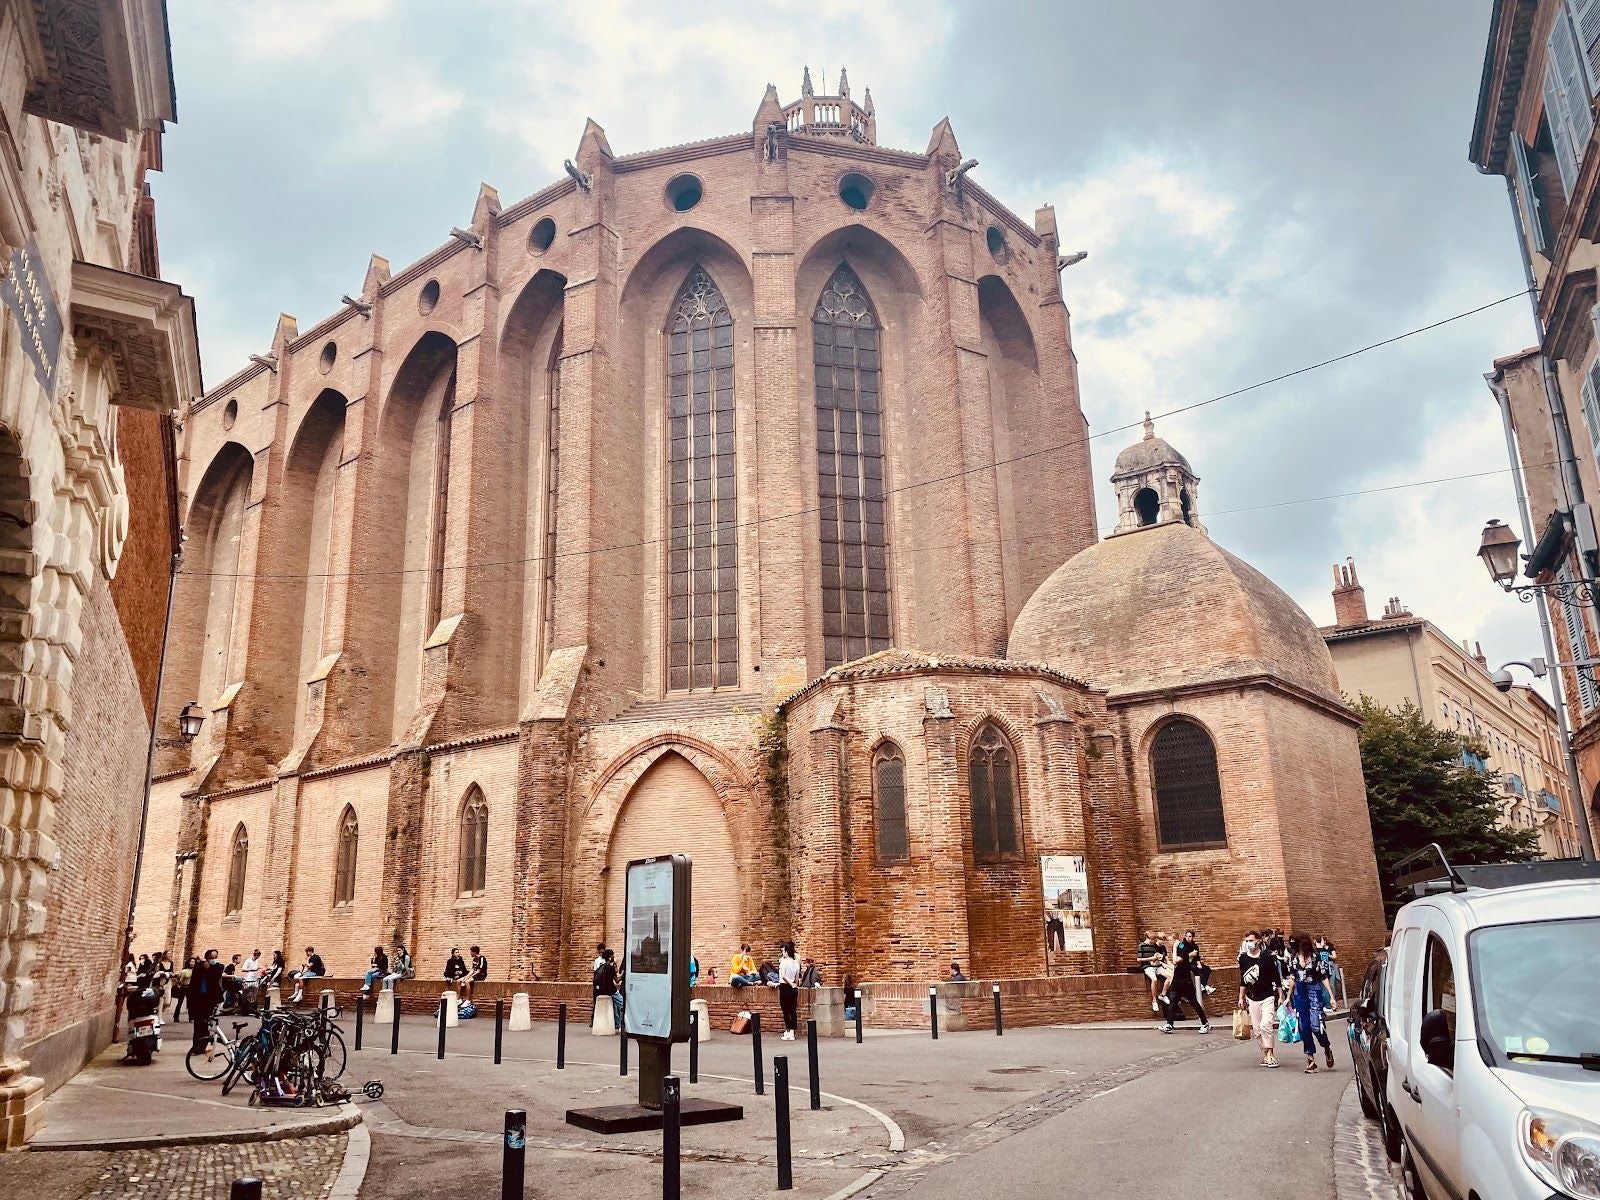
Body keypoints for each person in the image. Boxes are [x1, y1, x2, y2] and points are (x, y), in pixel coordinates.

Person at [1288, 934, 1335, 1073]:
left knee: (1316, 1025)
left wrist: (1331, 996)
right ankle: (1310, 1059)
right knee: (1303, 1026)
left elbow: (1323, 977)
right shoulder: (1293, 959)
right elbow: (1292, 978)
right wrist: (1287, 997)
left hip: (1314, 990)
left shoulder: (1316, 957)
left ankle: (1326, 1046)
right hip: (1299, 992)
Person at [1237, 931, 1284, 1067]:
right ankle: (1265, 1054)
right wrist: (1241, 997)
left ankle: (1270, 1053)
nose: (1248, 943)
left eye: (1251, 940)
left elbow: (1276, 977)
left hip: (1267, 995)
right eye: (1246, 941)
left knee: (1266, 1025)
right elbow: (1243, 979)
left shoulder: (1267, 956)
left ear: (1258, 941)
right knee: (1257, 1029)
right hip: (1252, 997)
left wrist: (1280, 996)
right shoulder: (1243, 959)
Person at [1162, 930, 1211, 1034]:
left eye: (1171, 940)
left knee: (1194, 1003)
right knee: (1173, 1002)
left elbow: (1176, 961)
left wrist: (1175, 948)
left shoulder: (1182, 947)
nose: (1169, 942)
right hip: (1177, 979)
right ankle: (1169, 1024)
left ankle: (1205, 1023)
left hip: (1185, 980)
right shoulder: (1182, 946)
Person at [189, 949, 225, 1053]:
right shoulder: (199, 967)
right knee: (198, 1023)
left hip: (210, 1000)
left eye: (215, 957)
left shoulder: (218, 967)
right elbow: (194, 981)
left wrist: (208, 969)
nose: (213, 959)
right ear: (207, 957)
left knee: (205, 1022)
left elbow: (215, 977)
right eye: (211, 957)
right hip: (198, 998)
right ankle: (196, 1045)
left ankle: (203, 1045)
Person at [1137, 931, 1168, 1013]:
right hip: (1148, 967)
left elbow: (1157, 955)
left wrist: (1159, 957)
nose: (1154, 941)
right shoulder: (1141, 946)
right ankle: (1154, 1000)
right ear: (1147, 938)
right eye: (1152, 939)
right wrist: (1151, 958)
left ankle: (1163, 995)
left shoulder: (1154, 946)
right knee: (1154, 979)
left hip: (1157, 966)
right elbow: (1139, 959)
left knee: (1170, 976)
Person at [776, 941, 801, 1040]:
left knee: (785, 1009)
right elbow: (797, 977)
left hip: (785, 987)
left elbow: (783, 976)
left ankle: (788, 1029)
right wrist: (794, 984)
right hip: (793, 988)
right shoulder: (796, 963)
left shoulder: (783, 962)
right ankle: (792, 1031)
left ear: (786, 952)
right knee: (793, 1009)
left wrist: (790, 984)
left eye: (783, 951)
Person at [593, 948, 622, 1026]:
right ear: (610, 957)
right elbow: (617, 981)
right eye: (613, 956)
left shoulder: (602, 967)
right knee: (622, 1004)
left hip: (602, 990)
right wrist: (623, 974)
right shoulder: (610, 967)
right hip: (611, 991)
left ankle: (617, 1024)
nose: (613, 957)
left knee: (614, 1008)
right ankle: (621, 1025)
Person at [171, 956, 193, 1022]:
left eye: (193, 962)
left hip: (191, 988)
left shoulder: (196, 970)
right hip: (183, 987)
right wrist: (179, 983)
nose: (192, 963)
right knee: (180, 1002)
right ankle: (176, 1016)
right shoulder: (184, 971)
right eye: (191, 961)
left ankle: (191, 1017)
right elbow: (179, 979)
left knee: (190, 1003)